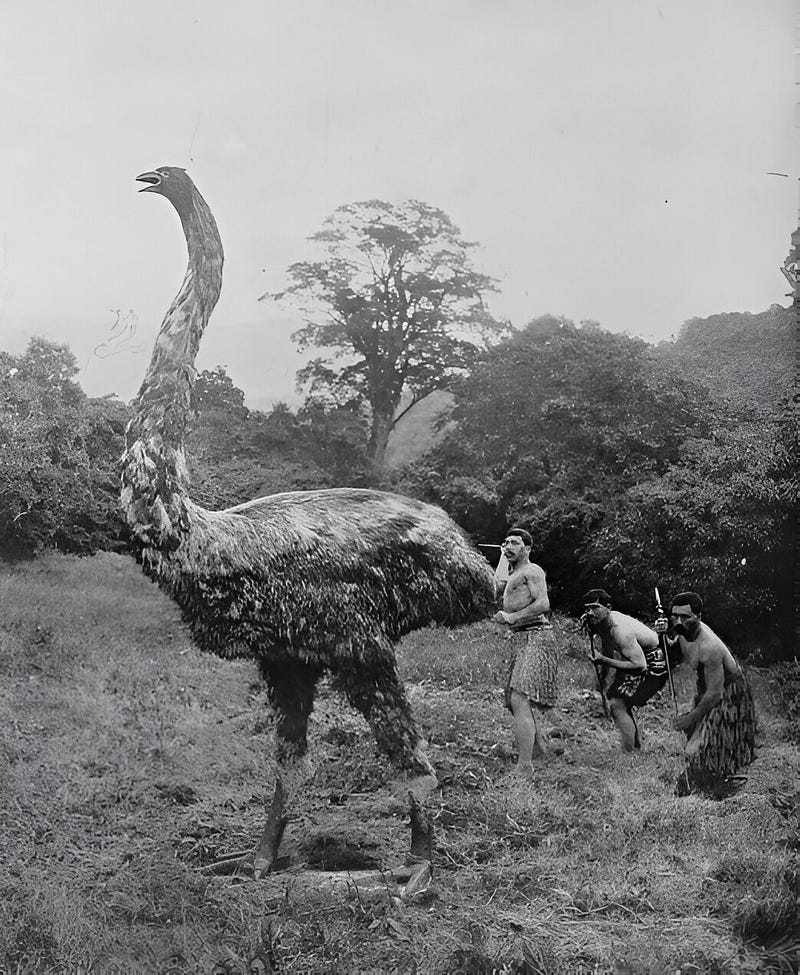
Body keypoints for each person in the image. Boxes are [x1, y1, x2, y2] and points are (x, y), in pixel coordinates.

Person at [666, 592, 756, 795]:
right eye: (675, 616)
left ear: (698, 616)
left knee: (703, 744)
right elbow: (674, 644)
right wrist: (663, 636)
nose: (679, 622)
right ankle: (704, 778)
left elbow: (715, 694)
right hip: (708, 687)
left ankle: (721, 782)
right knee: (697, 741)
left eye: (685, 617)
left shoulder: (710, 647)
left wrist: (690, 718)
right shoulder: (682, 630)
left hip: (728, 694)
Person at [492, 528, 560, 776]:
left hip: (537, 636)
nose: (508, 546)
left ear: (527, 548)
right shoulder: (513, 574)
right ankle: (539, 748)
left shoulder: (532, 571)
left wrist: (511, 617)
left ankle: (524, 767)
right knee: (512, 699)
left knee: (520, 698)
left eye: (515, 543)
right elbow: (495, 587)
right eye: (505, 542)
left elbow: (543, 604)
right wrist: (502, 556)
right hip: (519, 639)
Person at [582, 589, 668, 753]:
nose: (590, 613)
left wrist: (604, 661)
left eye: (595, 607)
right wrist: (603, 677)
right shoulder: (603, 622)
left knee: (617, 703)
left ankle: (629, 753)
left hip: (653, 664)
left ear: (608, 607)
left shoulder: (620, 630)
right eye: (587, 608)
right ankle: (635, 748)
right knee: (618, 699)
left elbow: (639, 666)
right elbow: (608, 648)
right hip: (640, 660)